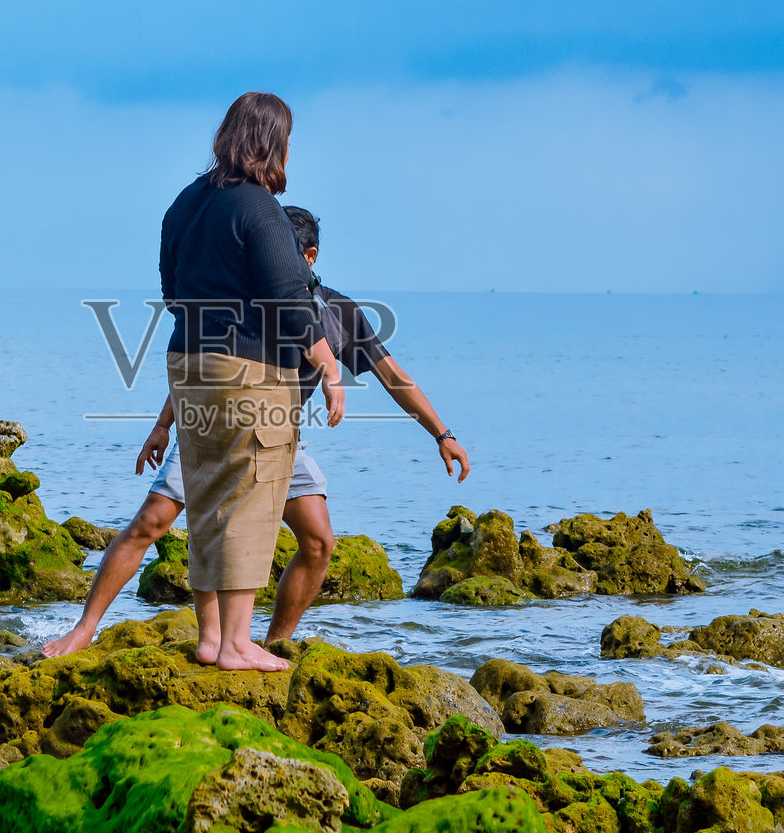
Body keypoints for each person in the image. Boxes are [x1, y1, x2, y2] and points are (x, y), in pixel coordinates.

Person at [45, 205, 471, 659]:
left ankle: (272, 644)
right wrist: (162, 426)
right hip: (214, 427)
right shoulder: (247, 302)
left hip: (279, 438)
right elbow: (207, 369)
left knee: (318, 541)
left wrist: (442, 435)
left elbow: (393, 377)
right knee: (151, 521)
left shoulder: (338, 312)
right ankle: (84, 629)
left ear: (308, 257)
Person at [149, 91, 343, 673]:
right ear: (273, 142)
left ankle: (211, 638)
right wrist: (329, 367)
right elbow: (289, 298)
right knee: (251, 498)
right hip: (249, 372)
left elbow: (171, 289)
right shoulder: (259, 207)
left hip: (188, 362)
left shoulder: (186, 201)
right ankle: (237, 643)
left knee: (207, 493)